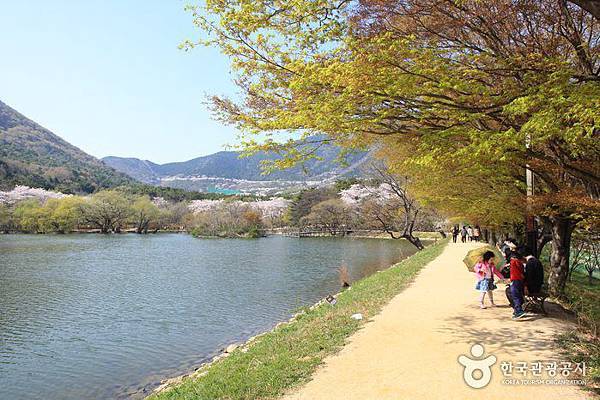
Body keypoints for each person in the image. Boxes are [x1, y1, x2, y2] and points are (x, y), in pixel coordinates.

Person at [508, 250, 526, 319]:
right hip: (520, 280)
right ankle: (517, 310)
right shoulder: (520, 263)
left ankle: (519, 311)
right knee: (518, 295)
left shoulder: (513, 262)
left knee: (515, 296)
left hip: (515, 281)